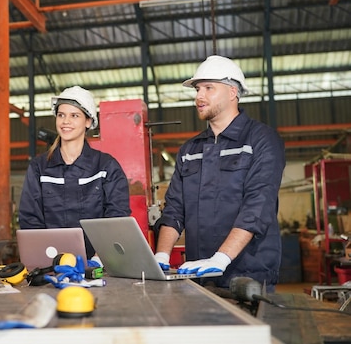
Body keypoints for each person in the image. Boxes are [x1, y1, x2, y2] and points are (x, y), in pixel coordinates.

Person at [153, 55, 285, 291]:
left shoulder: (261, 140)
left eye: (208, 88)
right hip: (200, 273)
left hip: (248, 274)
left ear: (232, 92)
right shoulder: (190, 150)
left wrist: (221, 259)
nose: (199, 97)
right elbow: (175, 209)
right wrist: (162, 255)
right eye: (197, 89)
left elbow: (258, 206)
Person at [18, 86, 131, 259]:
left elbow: (117, 217)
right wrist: (43, 259)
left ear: (88, 121)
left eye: (74, 115)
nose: (65, 121)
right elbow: (30, 219)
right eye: (61, 115)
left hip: (99, 265)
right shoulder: (39, 168)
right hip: (51, 264)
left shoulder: (106, 167)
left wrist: (101, 258)